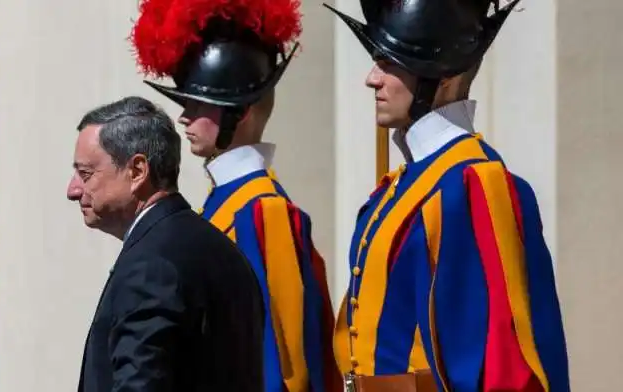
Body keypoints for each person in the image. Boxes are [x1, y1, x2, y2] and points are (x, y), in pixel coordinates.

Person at [323, 1, 570, 391]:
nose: (372, 79)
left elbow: (496, 363)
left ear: (442, 77)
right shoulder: (402, 184)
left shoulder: (473, 183)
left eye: (391, 64)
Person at [129, 1, 342, 392]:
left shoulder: (262, 212)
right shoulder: (223, 205)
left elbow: (281, 364)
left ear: (238, 112)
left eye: (197, 102)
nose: (184, 117)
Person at [66, 96, 264, 392]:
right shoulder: (218, 248)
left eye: (86, 174)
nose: (73, 190)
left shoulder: (151, 266)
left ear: (137, 171)